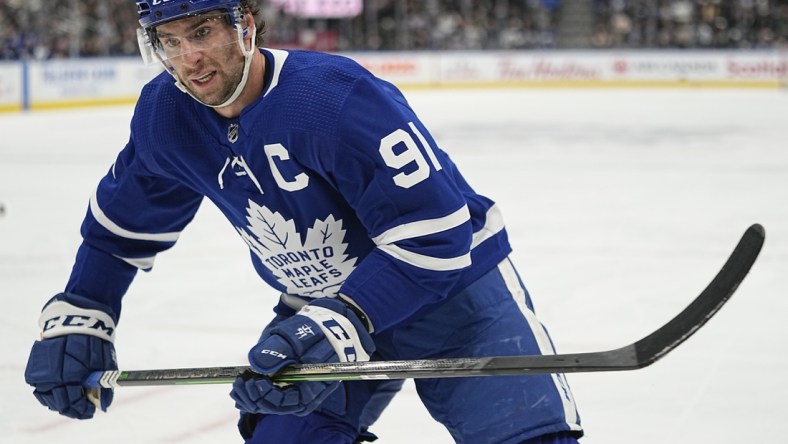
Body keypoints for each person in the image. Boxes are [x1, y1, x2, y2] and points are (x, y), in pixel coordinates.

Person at [24, 1, 583, 442]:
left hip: (453, 297)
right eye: (168, 41)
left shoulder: (332, 97)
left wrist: (349, 316)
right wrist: (85, 307)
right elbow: (121, 228)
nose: (187, 59)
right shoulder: (167, 115)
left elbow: (435, 236)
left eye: (200, 34)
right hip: (318, 307)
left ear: (246, 25)